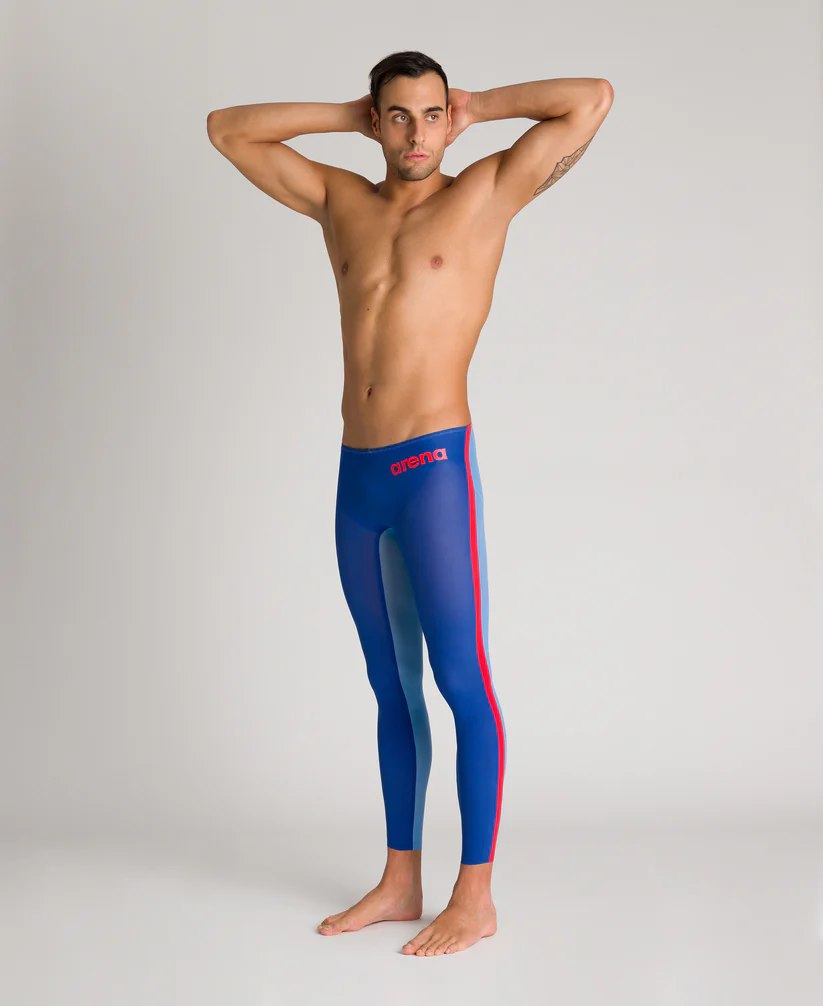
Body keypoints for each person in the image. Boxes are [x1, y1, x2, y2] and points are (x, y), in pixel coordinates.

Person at [207, 50, 613, 956]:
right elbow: (226, 130)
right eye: (398, 116)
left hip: (432, 470)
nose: (417, 133)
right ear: (376, 120)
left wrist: (479, 106)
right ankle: (400, 880)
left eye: (430, 115)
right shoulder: (340, 201)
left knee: (461, 682)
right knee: (389, 688)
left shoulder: (485, 195)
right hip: (356, 480)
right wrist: (348, 115)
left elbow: (590, 99)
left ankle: (475, 896)